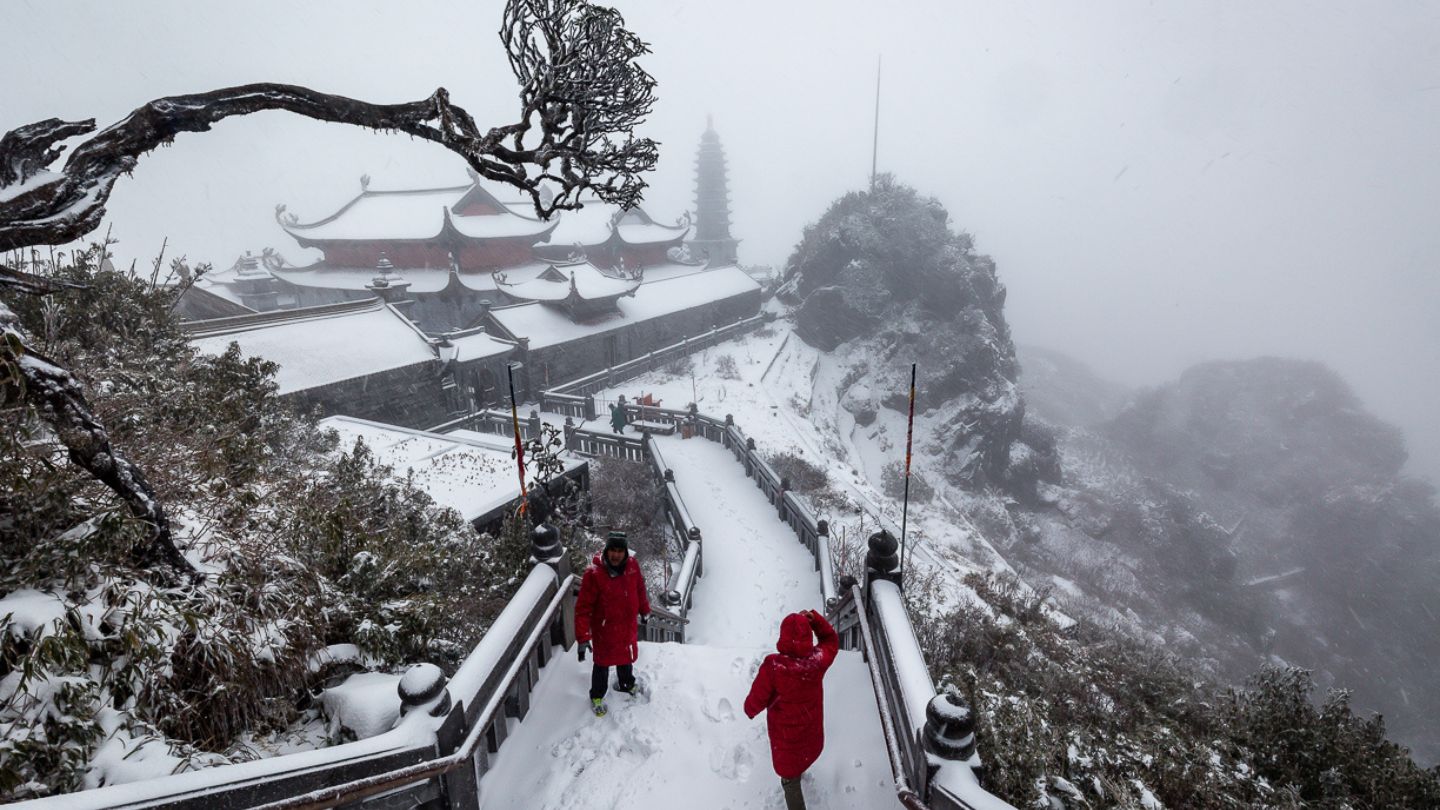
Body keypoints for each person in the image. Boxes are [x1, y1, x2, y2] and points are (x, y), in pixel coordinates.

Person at [744, 609, 839, 810]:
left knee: (789, 778)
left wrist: (749, 709)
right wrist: (816, 621)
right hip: (810, 733)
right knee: (802, 757)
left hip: (785, 739)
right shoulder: (817, 661)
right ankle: (801, 768)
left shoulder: (774, 666)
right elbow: (831, 641)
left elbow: (758, 698)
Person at [575, 531, 651, 717]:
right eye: (612, 550)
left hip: (627, 626)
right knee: (602, 665)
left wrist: (644, 609)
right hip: (605, 631)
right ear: (606, 551)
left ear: (625, 552)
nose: (616, 555)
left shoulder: (632, 566)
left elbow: (639, 588)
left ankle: (626, 683)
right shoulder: (593, 574)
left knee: (625, 658)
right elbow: (583, 608)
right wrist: (583, 637)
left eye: (620, 551)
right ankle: (597, 695)